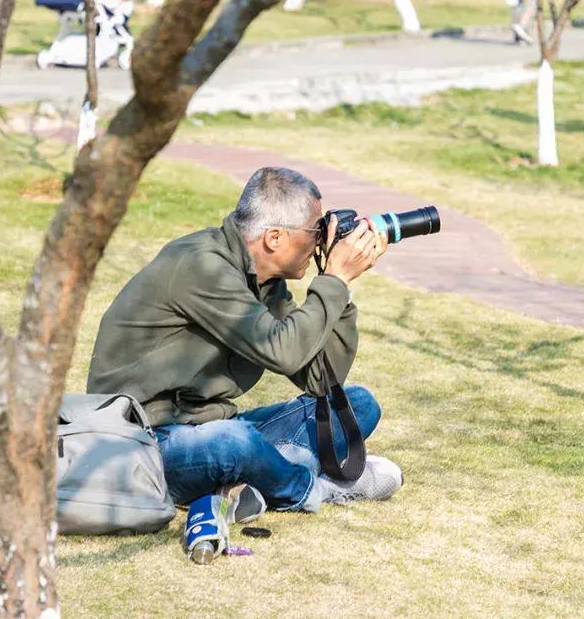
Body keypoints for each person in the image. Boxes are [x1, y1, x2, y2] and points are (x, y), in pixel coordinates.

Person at [86, 167, 403, 512]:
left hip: (209, 426)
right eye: (316, 229)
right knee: (234, 443)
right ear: (275, 238)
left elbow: (319, 379)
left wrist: (340, 291)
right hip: (142, 442)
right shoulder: (202, 266)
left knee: (356, 406)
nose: (321, 239)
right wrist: (334, 280)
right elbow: (282, 351)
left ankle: (252, 481)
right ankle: (313, 488)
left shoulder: (266, 281)